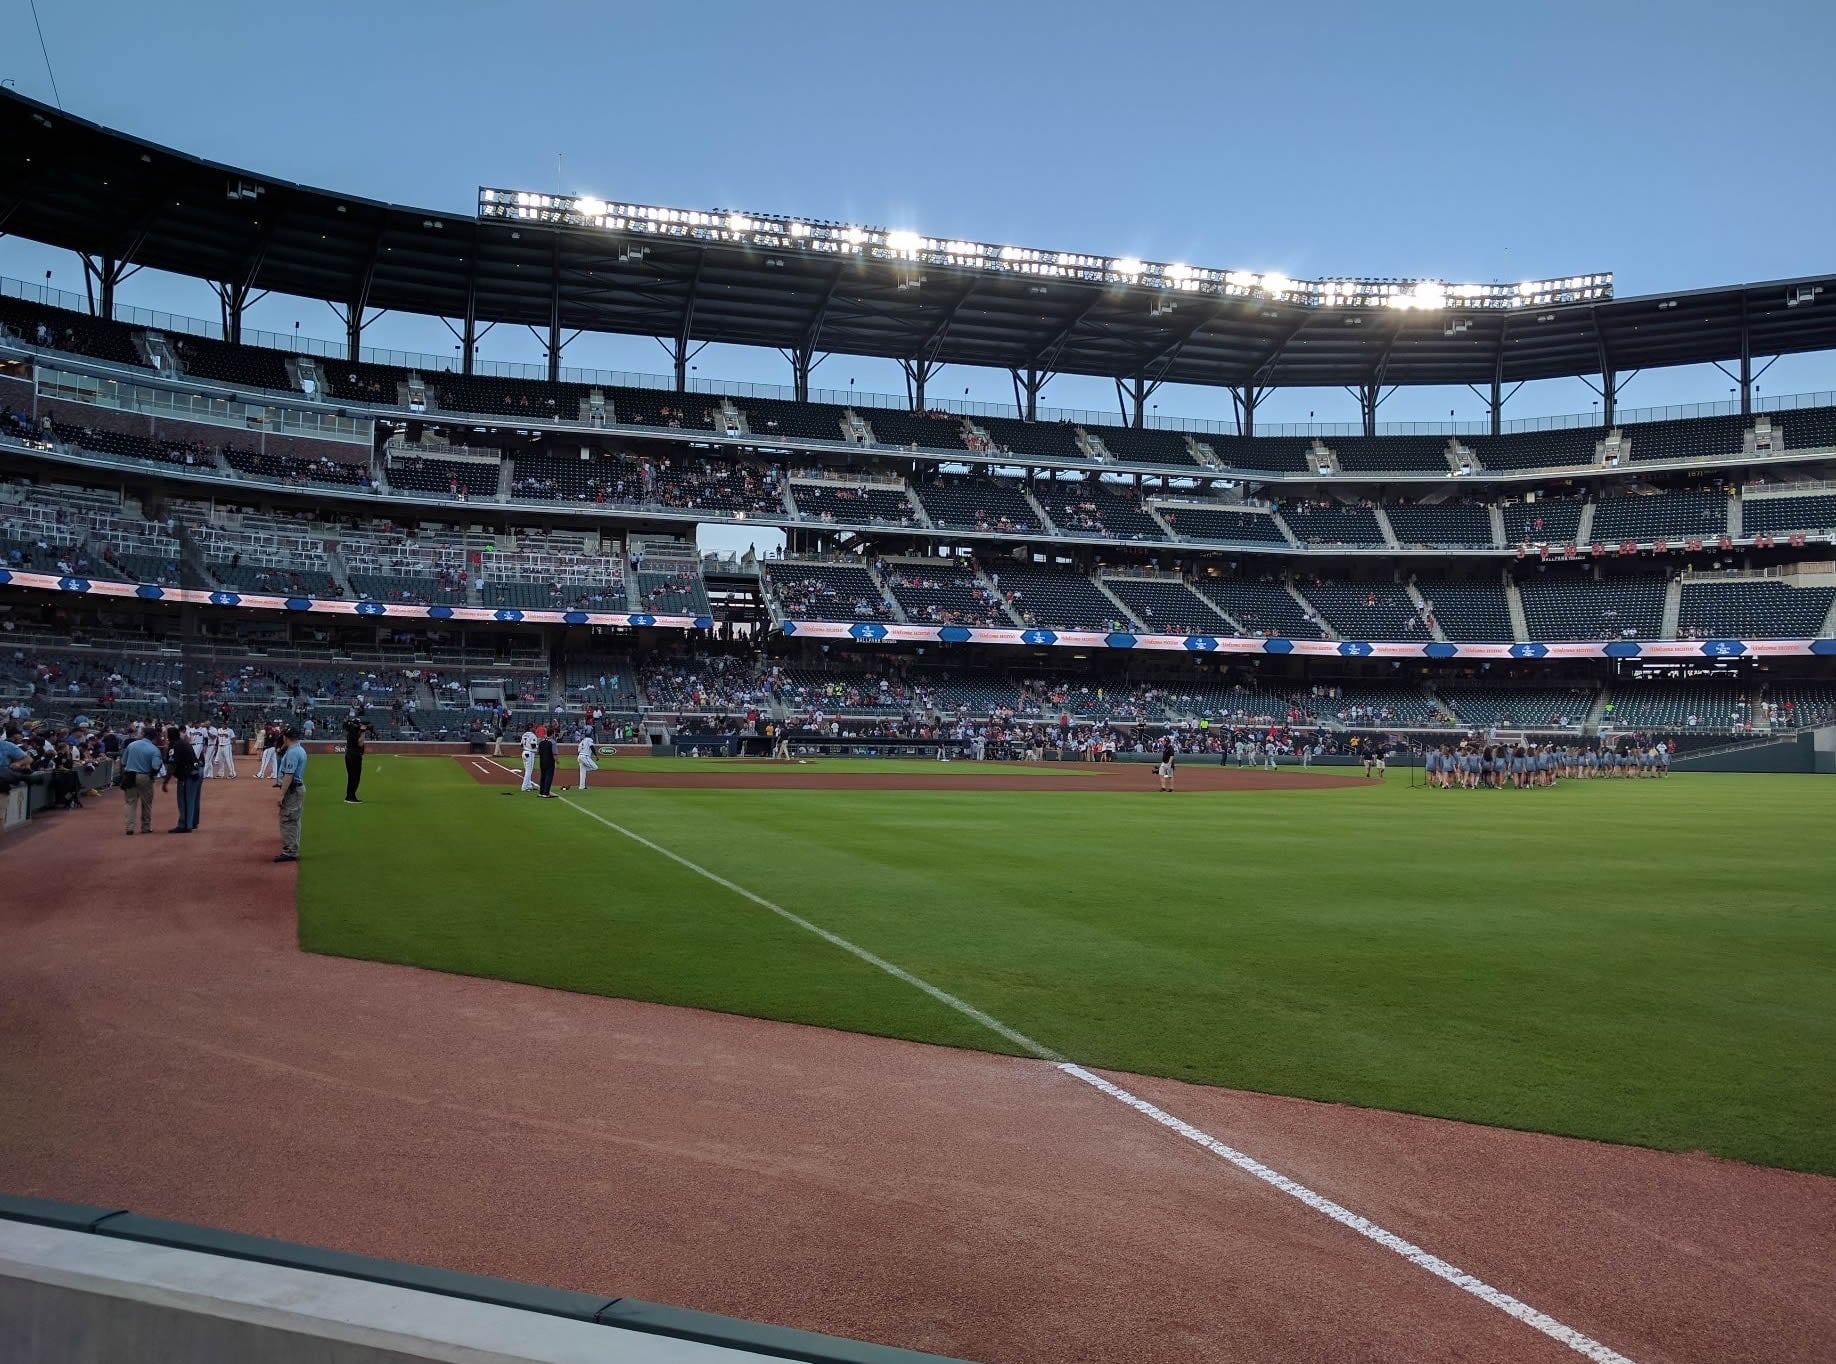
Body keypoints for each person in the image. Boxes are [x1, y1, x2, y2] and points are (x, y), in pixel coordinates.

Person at [119, 724, 164, 835]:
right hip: (144, 776)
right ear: (153, 737)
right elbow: (155, 766)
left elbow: (123, 762)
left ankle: (129, 827)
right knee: (146, 803)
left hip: (130, 775)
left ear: (144, 734)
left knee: (130, 803)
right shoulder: (154, 749)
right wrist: (151, 776)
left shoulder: (132, 745)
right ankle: (145, 827)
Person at [275, 726, 307, 862]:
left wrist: (281, 794)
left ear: (285, 737)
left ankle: (290, 851)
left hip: (292, 790)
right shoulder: (299, 749)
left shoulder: (293, 752)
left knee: (288, 820)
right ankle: (292, 848)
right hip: (296, 788)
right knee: (294, 819)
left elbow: (289, 775)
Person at [163, 724, 202, 832]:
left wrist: (165, 782)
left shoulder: (174, 744)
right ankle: (192, 822)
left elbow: (172, 765)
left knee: (185, 800)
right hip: (196, 770)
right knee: (193, 799)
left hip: (188, 774)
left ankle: (184, 825)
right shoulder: (183, 742)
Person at [343, 710, 373, 804]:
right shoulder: (354, 733)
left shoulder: (351, 732)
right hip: (354, 756)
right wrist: (363, 731)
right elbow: (360, 743)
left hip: (350, 755)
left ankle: (350, 796)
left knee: (352, 777)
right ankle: (351, 797)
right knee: (355, 777)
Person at [536, 726, 557, 798]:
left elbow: (538, 752)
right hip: (550, 761)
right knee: (549, 777)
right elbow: (554, 754)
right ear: (552, 734)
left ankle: (541, 792)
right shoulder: (553, 742)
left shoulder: (541, 742)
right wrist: (557, 761)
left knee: (543, 776)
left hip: (542, 761)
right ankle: (546, 792)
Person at [520, 723, 539, 792]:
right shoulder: (532, 735)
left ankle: (529, 785)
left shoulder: (524, 734)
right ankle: (524, 787)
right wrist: (538, 746)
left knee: (527, 770)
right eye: (533, 727)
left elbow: (521, 745)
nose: (534, 728)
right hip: (530, 753)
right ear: (530, 728)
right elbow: (533, 745)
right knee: (529, 771)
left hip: (524, 752)